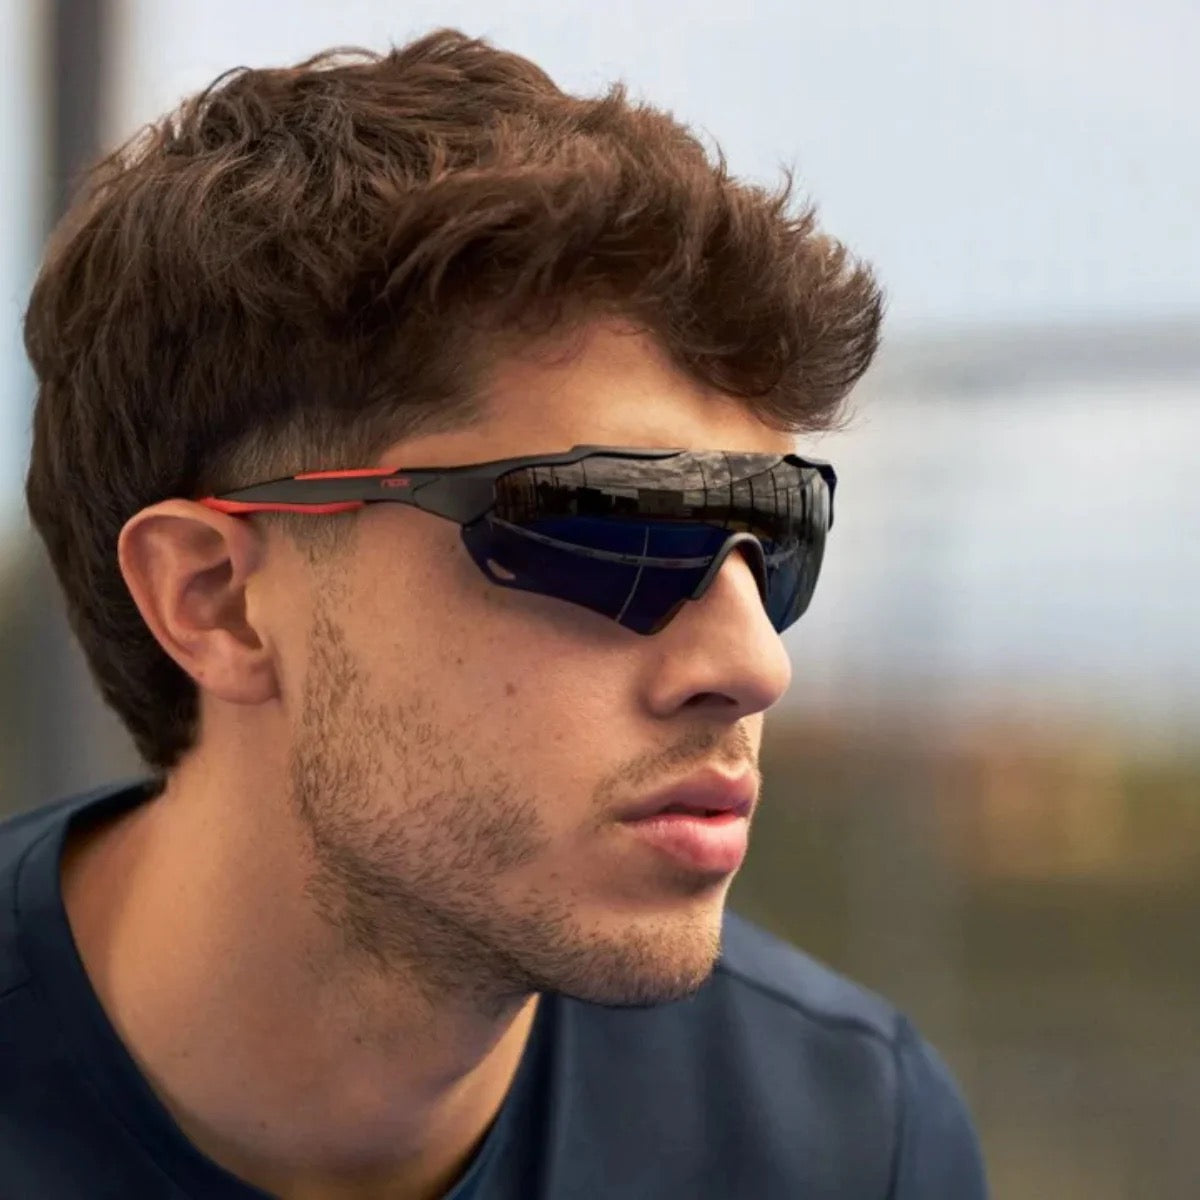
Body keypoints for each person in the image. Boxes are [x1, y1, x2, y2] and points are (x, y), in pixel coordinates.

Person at [3, 28, 988, 1200]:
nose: (752, 664)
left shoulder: (844, 1136)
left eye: (774, 538)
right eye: (604, 527)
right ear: (214, 599)